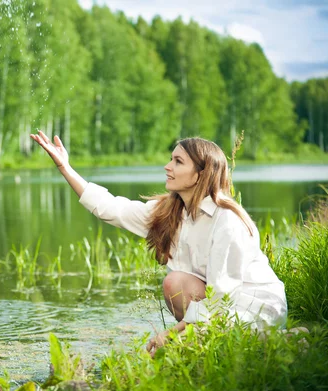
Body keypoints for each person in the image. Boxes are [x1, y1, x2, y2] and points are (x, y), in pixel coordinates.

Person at [30, 130, 288, 357]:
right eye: (171, 159)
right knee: (175, 283)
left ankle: (246, 341)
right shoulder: (171, 212)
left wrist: (172, 333)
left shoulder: (227, 221)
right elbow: (111, 208)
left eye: (178, 161)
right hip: (217, 307)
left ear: (201, 174)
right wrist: (65, 167)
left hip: (255, 307)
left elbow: (222, 297)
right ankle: (199, 344)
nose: (167, 166)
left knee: (177, 291)